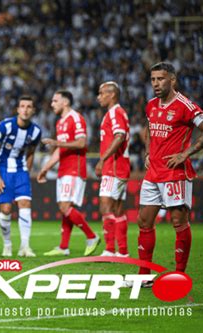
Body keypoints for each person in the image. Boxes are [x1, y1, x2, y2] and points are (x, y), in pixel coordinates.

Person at [133, 62, 203, 286]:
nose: (156, 83)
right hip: (153, 173)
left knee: (178, 222)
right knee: (144, 221)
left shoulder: (185, 105)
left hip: (175, 174)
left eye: (161, 79)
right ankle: (144, 275)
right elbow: (148, 130)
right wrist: (148, 152)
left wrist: (186, 153)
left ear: (172, 80)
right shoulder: (150, 105)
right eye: (153, 79)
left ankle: (179, 275)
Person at [37, 90, 100, 257]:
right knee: (66, 208)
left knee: (64, 207)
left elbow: (81, 142)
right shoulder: (60, 122)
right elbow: (60, 149)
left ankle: (91, 236)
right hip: (64, 169)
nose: (52, 104)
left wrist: (57, 142)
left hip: (74, 168)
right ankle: (64, 247)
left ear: (65, 102)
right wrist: (45, 169)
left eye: (55, 100)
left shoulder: (76, 118)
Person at [0, 95, 42, 257]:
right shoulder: (5, 126)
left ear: (33, 111)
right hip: (2, 169)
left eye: (29, 107)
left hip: (20, 171)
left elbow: (31, 152)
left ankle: (25, 246)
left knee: (25, 204)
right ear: (18, 109)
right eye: (22, 106)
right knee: (6, 209)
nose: (25, 109)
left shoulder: (36, 131)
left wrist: (27, 171)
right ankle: (7, 244)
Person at [95, 81, 130, 257]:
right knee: (117, 209)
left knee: (106, 207)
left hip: (113, 167)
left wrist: (103, 160)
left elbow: (119, 136)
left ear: (112, 94)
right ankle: (122, 252)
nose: (98, 97)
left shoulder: (115, 112)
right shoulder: (116, 112)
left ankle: (110, 249)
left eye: (101, 93)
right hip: (120, 166)